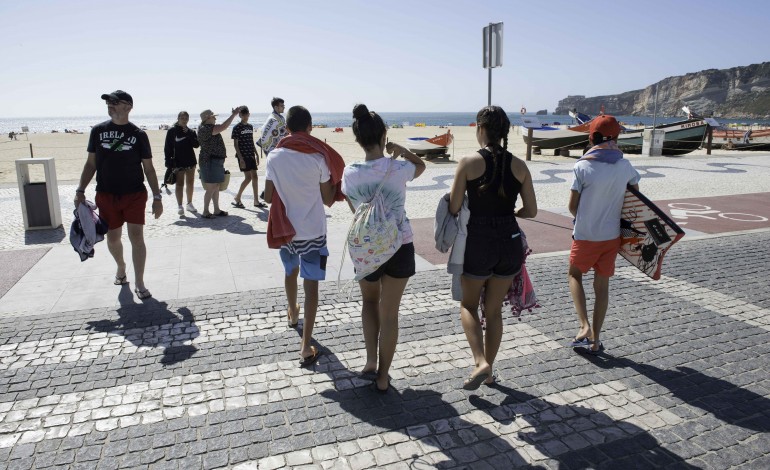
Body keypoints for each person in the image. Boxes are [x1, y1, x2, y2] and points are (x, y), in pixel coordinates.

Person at [448, 105, 538, 390]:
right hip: (509, 242)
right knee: (495, 310)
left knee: (469, 305)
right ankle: (489, 373)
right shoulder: (519, 165)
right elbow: (531, 210)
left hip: (478, 242)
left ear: (481, 128)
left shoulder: (468, 162)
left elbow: (453, 206)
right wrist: (511, 216)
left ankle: (480, 362)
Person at [341, 104, 426, 393]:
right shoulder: (400, 167)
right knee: (390, 313)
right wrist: (401, 149)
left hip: (367, 248)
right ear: (384, 135)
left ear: (357, 139)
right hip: (399, 244)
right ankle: (383, 375)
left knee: (368, 302)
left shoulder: (350, 173)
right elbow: (422, 166)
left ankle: (369, 361)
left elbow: (356, 210)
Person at [263, 105, 343, 368]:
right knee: (312, 286)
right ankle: (305, 344)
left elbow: (267, 196)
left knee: (290, 271)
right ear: (310, 129)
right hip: (313, 232)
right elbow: (327, 198)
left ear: (286, 129)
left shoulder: (273, 157)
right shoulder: (319, 158)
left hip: (286, 231)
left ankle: (292, 312)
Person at [74, 90, 163, 300]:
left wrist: (157, 197)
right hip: (106, 194)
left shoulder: (139, 135)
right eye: (108, 102)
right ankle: (121, 266)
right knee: (113, 239)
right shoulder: (97, 131)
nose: (110, 105)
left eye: (115, 102)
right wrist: (80, 190)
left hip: (134, 194)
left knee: (136, 237)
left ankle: (140, 282)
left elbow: (149, 169)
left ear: (128, 107)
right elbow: (91, 164)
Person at [567, 114, 640, 354]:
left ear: (592, 138)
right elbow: (634, 199)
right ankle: (596, 340)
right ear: (616, 137)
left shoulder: (582, 166)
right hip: (611, 236)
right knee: (602, 287)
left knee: (575, 275)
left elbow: (572, 206)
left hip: (586, 233)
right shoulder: (625, 166)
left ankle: (583, 326)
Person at [197, 107, 242, 218]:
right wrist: (234, 115)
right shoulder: (205, 128)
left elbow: (221, 127)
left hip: (214, 161)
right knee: (211, 187)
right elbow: (224, 126)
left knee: (216, 186)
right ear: (208, 118)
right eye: (213, 117)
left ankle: (216, 210)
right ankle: (205, 211)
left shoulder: (208, 127)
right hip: (209, 161)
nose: (215, 119)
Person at [164, 111, 200, 216]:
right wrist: (168, 162)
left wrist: (189, 133)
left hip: (190, 160)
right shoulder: (172, 131)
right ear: (178, 118)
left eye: (186, 118)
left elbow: (196, 145)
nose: (184, 120)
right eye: (182, 118)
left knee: (190, 182)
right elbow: (167, 148)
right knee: (179, 184)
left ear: (188, 119)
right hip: (177, 161)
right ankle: (180, 206)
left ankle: (189, 203)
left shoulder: (191, 131)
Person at [231, 106, 267, 209]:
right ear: (240, 115)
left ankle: (256, 201)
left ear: (249, 114)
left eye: (246, 114)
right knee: (248, 178)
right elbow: (235, 144)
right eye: (243, 114)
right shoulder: (236, 128)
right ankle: (237, 197)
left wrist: (256, 154)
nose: (245, 116)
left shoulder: (250, 127)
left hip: (250, 154)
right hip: (243, 155)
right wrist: (241, 158)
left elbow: (251, 141)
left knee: (255, 176)